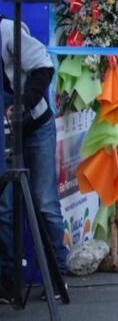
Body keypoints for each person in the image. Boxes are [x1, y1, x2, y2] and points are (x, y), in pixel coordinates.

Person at [0, 14, 67, 285]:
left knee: (44, 201)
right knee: (4, 207)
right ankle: (9, 278)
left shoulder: (7, 30)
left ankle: (58, 272)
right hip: (4, 133)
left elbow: (44, 66)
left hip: (35, 124)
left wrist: (24, 103)